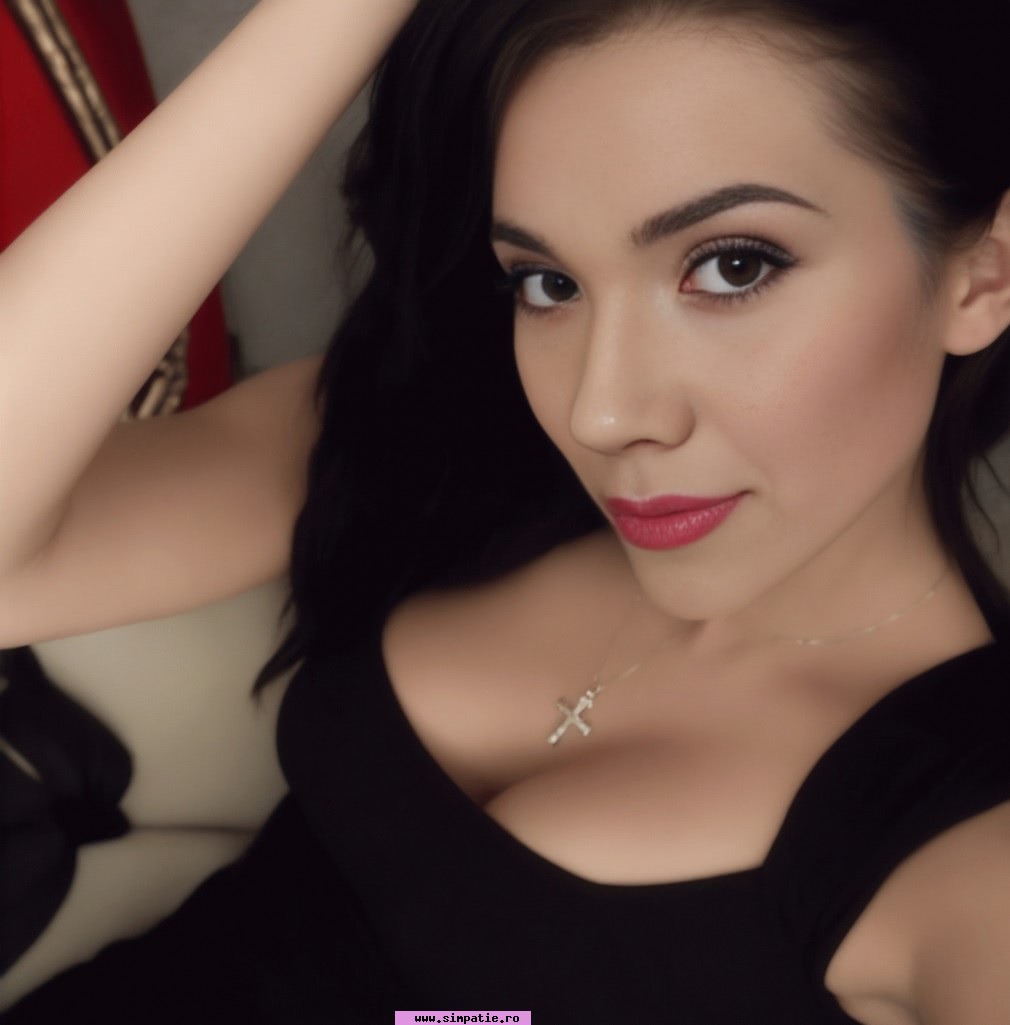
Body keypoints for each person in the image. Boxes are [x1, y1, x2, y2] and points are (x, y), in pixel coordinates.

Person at [1, 0, 1009, 1021]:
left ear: (983, 274)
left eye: (731, 266)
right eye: (547, 282)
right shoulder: (455, 430)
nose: (600, 410)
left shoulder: (968, 838)